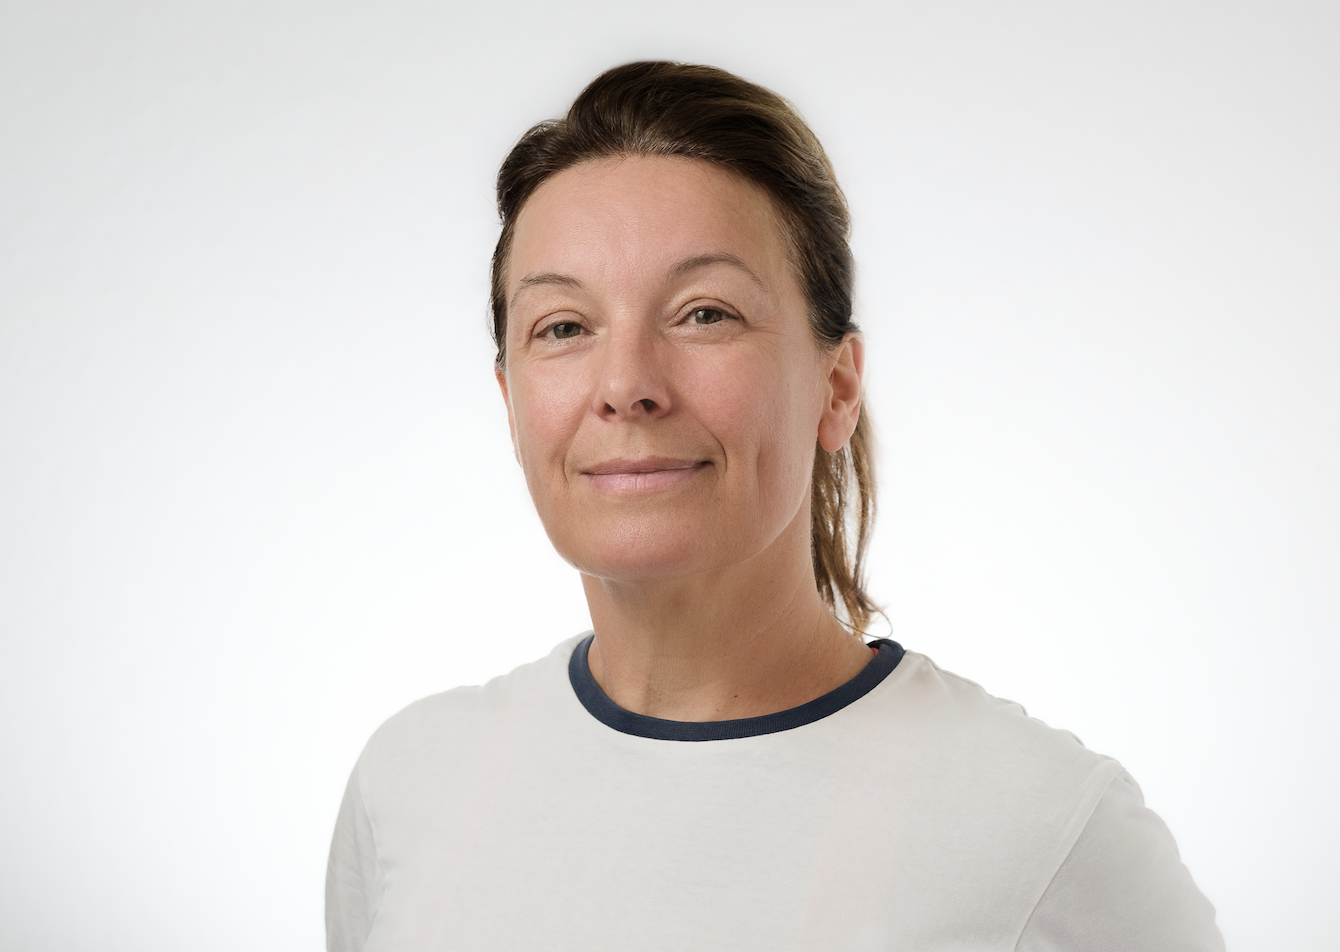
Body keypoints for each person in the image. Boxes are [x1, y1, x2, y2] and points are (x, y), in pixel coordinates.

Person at [326, 61, 1224, 951]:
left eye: (705, 313)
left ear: (837, 387)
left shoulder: (1045, 832)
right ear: (511, 401)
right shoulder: (410, 786)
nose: (627, 384)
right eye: (563, 326)